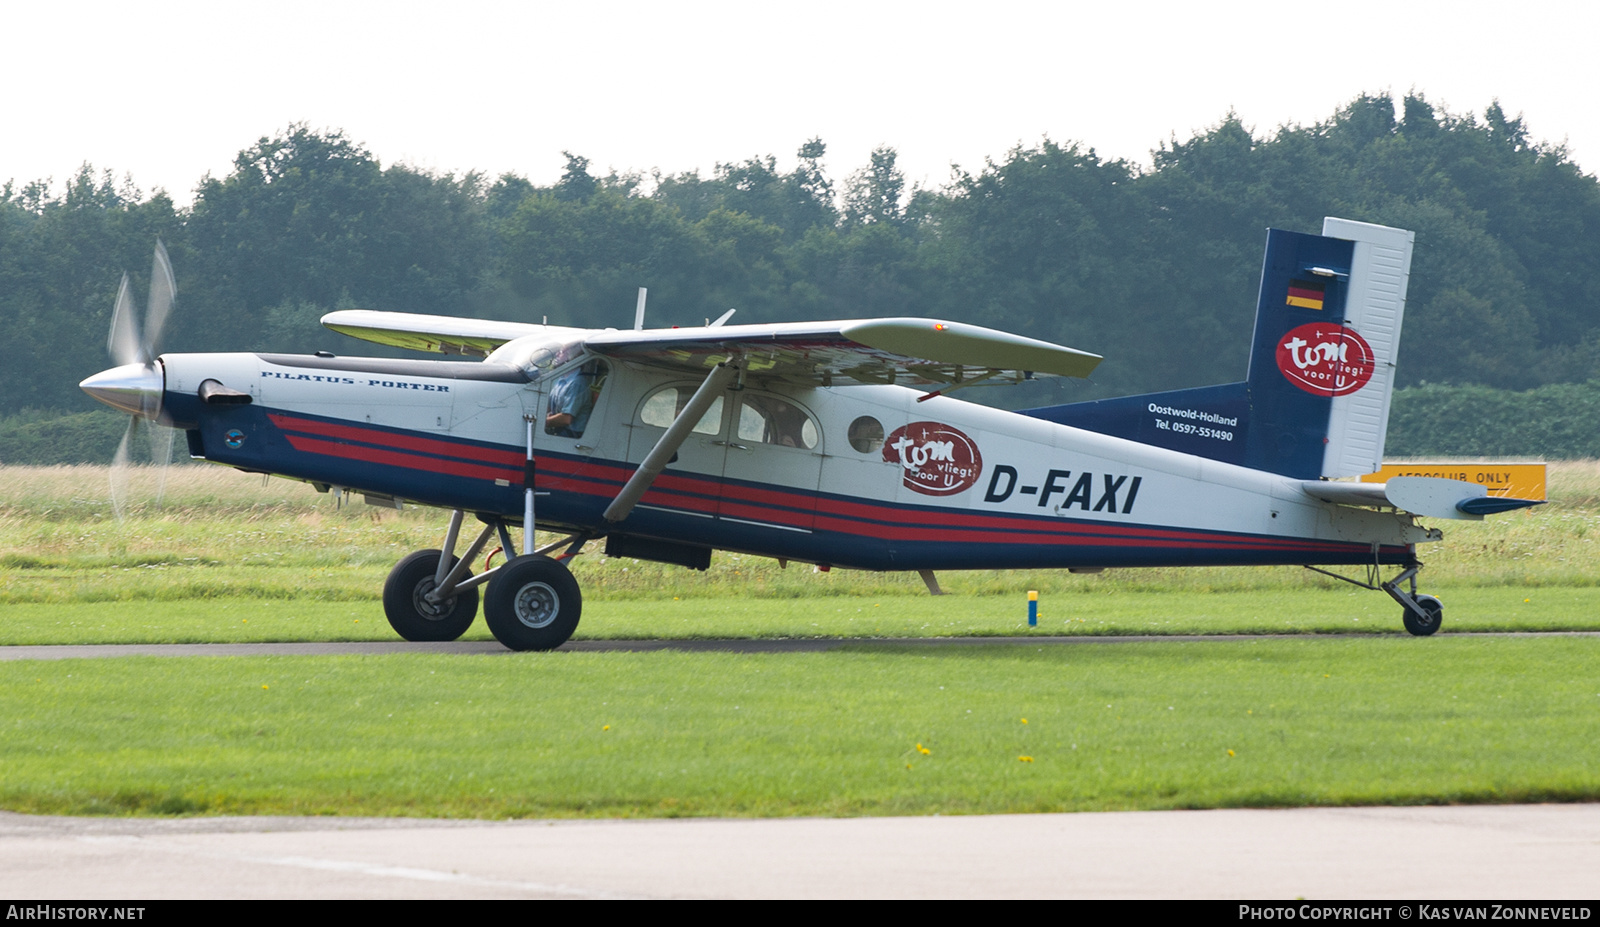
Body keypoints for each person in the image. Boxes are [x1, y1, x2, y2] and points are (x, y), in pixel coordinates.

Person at [545, 362, 599, 438]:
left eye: (563, 352)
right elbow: (548, 407)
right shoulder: (561, 379)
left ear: (572, 359)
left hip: (571, 434)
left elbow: (566, 419)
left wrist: (541, 422)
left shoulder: (577, 383)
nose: (557, 354)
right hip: (559, 429)